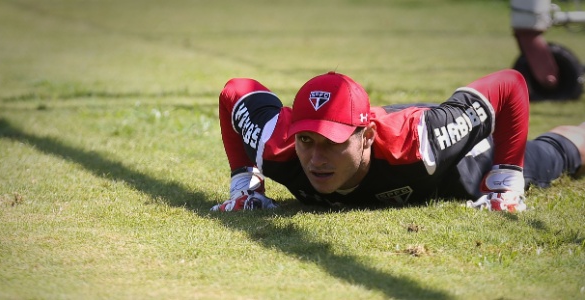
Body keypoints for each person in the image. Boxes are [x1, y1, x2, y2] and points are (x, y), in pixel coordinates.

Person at [211, 69, 585, 212]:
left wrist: (506, 180)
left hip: (466, 163)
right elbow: (235, 90)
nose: (315, 158)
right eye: (307, 140)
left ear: (367, 136)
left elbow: (510, 83)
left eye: (333, 142)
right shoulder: (275, 144)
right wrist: (245, 183)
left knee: (560, 151)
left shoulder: (425, 142)